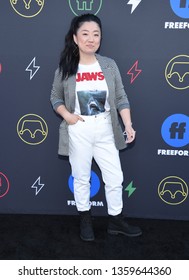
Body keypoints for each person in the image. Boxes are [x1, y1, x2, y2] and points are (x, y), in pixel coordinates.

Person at [50, 13, 142, 241]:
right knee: (81, 177)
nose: (91, 39)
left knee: (115, 176)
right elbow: (55, 97)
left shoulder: (109, 65)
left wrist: (128, 124)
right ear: (75, 37)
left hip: (106, 127)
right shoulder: (66, 67)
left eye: (96, 34)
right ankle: (85, 219)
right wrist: (67, 116)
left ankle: (116, 220)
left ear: (100, 38)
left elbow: (121, 97)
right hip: (79, 129)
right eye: (85, 34)